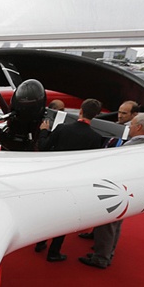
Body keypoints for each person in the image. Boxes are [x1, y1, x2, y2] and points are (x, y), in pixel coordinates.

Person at [79, 113, 144, 269]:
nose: (129, 127)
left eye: (132, 124)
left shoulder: (133, 147)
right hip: (126, 189)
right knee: (115, 223)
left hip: (118, 189)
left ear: (139, 127)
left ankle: (101, 257)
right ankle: (107, 252)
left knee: (108, 222)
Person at [34, 98, 105, 261]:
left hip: (54, 178)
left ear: (80, 110)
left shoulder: (62, 128)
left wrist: (44, 131)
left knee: (48, 211)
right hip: (74, 183)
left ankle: (40, 242)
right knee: (65, 217)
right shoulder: (96, 138)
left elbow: (44, 147)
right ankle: (54, 252)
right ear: (96, 115)